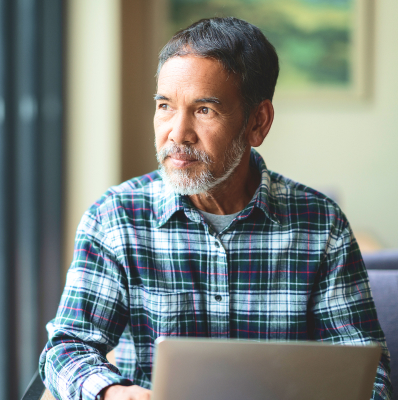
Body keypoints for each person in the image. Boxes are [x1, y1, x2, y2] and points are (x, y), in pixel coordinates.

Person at [39, 17, 392, 400]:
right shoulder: (115, 217)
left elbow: (369, 375)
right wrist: (111, 392)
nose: (177, 133)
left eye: (204, 110)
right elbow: (67, 350)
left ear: (258, 122)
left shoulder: (322, 225)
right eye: (164, 106)